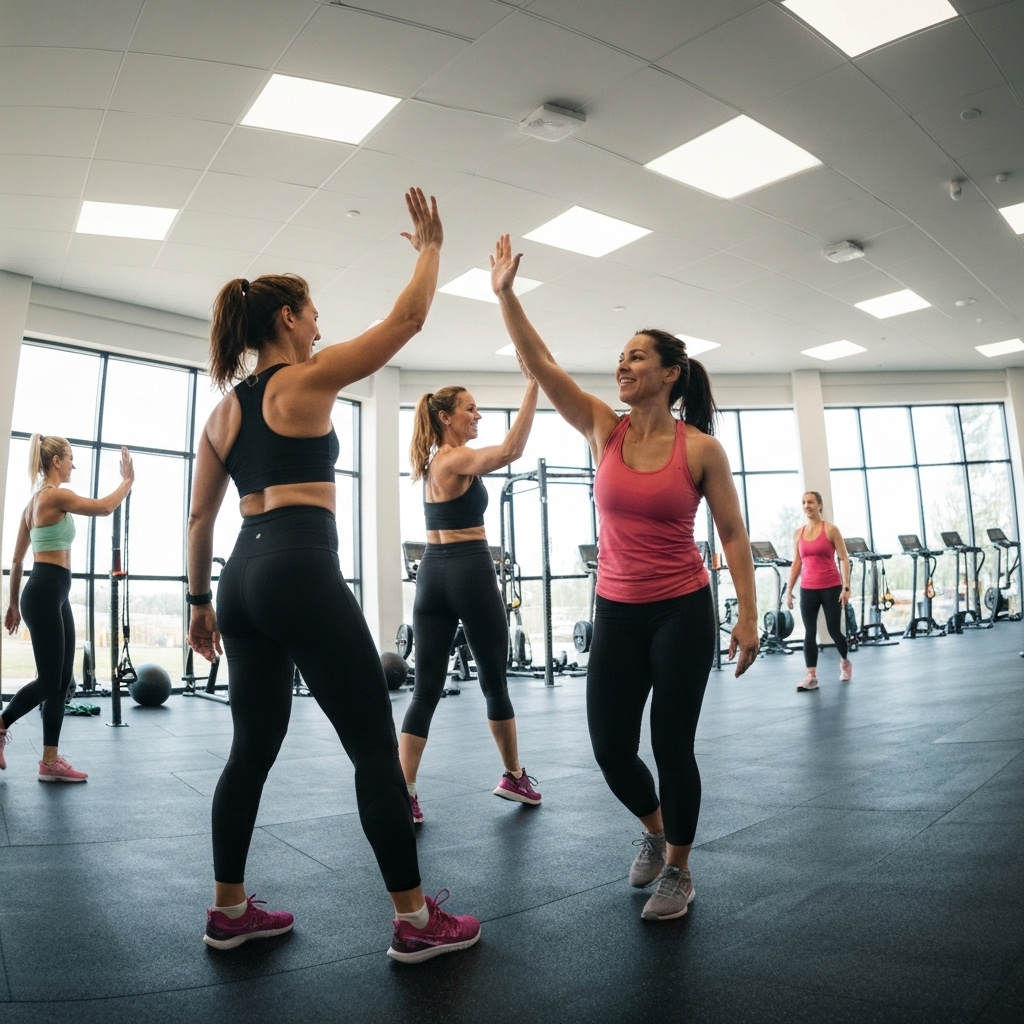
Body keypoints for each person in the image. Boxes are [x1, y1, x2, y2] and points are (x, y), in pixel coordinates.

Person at [187, 189, 478, 962]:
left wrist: (196, 603)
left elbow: (197, 520)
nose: (319, 327)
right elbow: (406, 322)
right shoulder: (301, 383)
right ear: (287, 319)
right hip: (297, 565)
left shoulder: (223, 412)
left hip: (239, 576)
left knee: (251, 749)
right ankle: (416, 923)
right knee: (375, 752)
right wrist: (429, 248)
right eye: (313, 314)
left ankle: (228, 909)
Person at [489, 234, 759, 922]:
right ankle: (653, 827)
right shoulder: (601, 429)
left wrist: (749, 616)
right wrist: (506, 294)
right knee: (610, 747)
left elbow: (730, 535)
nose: (623, 365)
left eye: (637, 355)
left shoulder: (700, 448)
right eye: (621, 357)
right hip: (616, 610)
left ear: (671, 373)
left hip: (681, 611)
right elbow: (543, 364)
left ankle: (679, 870)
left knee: (671, 743)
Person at [400, 359, 541, 824]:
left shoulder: (430, 463)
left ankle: (405, 792)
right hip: (468, 571)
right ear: (446, 417)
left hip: (432, 575)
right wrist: (532, 386)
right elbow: (510, 451)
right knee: (494, 682)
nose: (477, 416)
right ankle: (512, 775)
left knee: (425, 691)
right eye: (471, 409)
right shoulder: (453, 457)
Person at [2, 436, 134, 781]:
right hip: (46, 590)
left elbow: (17, 560)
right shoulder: (54, 495)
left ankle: (49, 762)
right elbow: (105, 508)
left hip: (48, 591)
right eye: (71, 458)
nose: (74, 464)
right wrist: (127, 481)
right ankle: (0, 724)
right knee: (49, 680)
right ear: (56, 460)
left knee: (61, 682)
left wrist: (13, 603)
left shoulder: (32, 503)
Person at [785, 491, 852, 691]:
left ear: (820, 505)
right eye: (804, 502)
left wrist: (846, 587)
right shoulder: (799, 533)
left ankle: (845, 662)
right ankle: (811, 676)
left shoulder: (831, 530)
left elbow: (844, 558)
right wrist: (789, 590)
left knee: (833, 630)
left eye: (811, 502)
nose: (807, 506)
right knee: (809, 632)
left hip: (831, 587)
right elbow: (797, 562)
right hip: (808, 589)